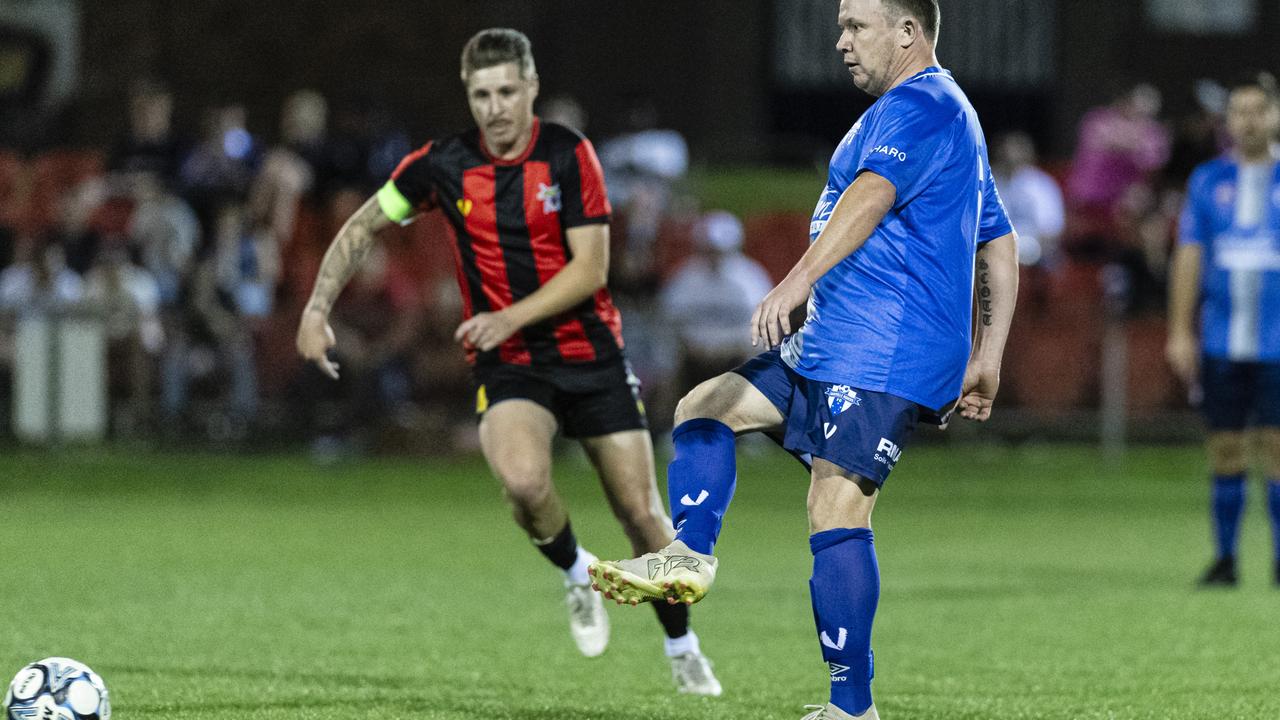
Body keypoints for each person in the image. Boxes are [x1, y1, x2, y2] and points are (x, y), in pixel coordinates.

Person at [588, 2, 1018, 718]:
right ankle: (687, 557)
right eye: (842, 25)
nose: (840, 41)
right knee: (705, 407)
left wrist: (798, 278)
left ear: (907, 31)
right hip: (837, 338)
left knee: (835, 506)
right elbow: (998, 239)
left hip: (885, 344)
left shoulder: (928, 104)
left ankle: (853, 707)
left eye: (857, 26)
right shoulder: (917, 113)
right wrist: (991, 354)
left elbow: (874, 195)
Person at [294, 28, 720, 695]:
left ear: (530, 90)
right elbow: (363, 226)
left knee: (642, 516)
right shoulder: (444, 165)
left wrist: (507, 316)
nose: (494, 107)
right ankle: (576, 574)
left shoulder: (568, 155)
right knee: (523, 485)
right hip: (512, 363)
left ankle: (682, 645)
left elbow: (591, 269)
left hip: (590, 355)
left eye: (505, 92)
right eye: (480, 94)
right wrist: (317, 309)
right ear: (470, 95)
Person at [1166, 73, 1280, 588]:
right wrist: (1179, 331)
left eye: (1259, 110)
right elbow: (1189, 258)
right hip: (1220, 339)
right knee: (1226, 448)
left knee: (1277, 448)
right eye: (1240, 111)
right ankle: (1226, 559)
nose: (1249, 120)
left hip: (1278, 344)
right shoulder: (1208, 180)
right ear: (1228, 119)